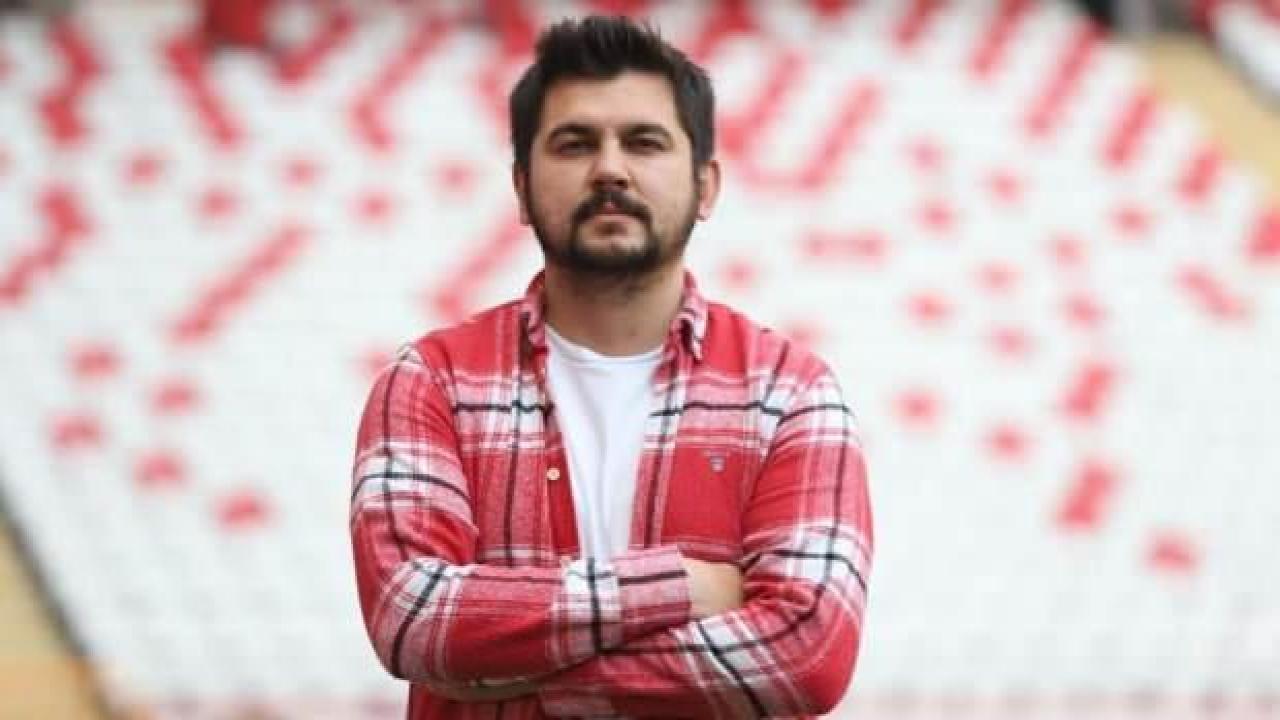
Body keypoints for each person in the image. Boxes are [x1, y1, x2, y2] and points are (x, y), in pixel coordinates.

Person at [350, 15, 873, 719]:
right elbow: (413, 618)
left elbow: (809, 656)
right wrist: (681, 585)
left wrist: (522, 678)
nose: (609, 169)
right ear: (521, 187)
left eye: (644, 141)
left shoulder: (790, 392)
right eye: (574, 144)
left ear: (706, 185)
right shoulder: (431, 382)